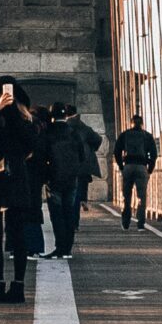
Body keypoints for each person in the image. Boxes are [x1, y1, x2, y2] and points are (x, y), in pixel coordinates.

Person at [0, 80, 44, 304]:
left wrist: (13, 114)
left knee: (17, 235)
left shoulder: (25, 120)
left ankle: (18, 286)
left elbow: (33, 143)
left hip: (13, 180)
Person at [43, 101, 102, 259]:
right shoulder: (74, 132)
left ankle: (59, 247)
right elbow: (82, 155)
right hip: (72, 179)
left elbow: (43, 155)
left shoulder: (48, 132)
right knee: (69, 212)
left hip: (54, 179)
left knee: (56, 214)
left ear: (52, 115)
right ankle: (67, 249)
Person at [113, 114, 159, 228]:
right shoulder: (147, 136)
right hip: (141, 167)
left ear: (131, 123)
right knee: (141, 197)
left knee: (126, 196)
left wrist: (121, 166)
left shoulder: (125, 135)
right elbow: (154, 154)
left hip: (128, 167)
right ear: (142, 123)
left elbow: (116, 151)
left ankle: (126, 222)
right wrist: (149, 169)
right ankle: (140, 223)